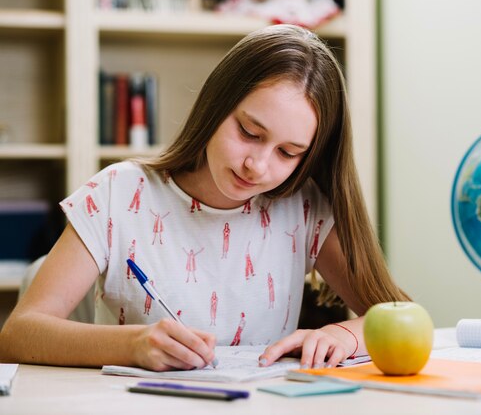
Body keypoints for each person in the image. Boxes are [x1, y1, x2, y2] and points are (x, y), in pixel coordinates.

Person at [0, 24, 409, 371]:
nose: (258, 166)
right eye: (250, 132)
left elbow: (402, 317)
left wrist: (344, 334)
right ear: (216, 104)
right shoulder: (117, 195)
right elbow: (19, 334)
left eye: (288, 153)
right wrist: (132, 345)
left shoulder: (303, 207)